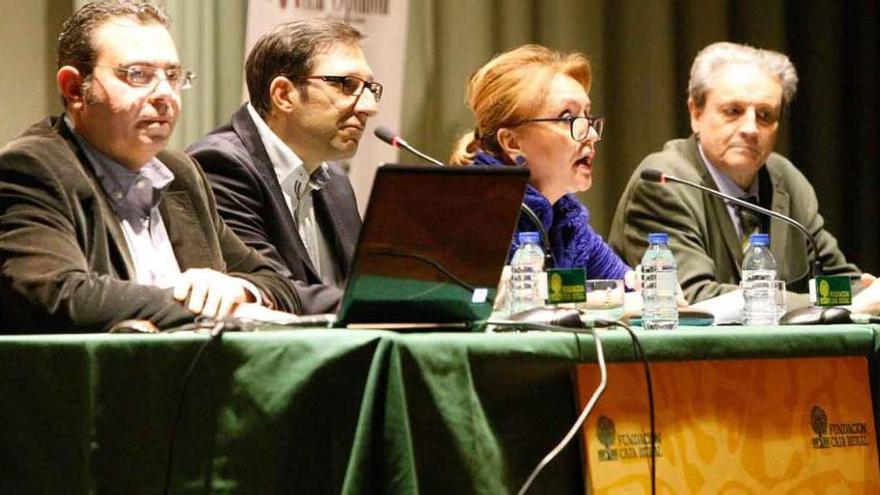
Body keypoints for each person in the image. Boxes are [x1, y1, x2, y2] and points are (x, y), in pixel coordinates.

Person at [0, 1, 301, 333]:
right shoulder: (31, 168)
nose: (164, 94)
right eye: (138, 75)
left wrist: (239, 289)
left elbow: (278, 282)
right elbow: (57, 294)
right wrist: (203, 308)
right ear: (74, 89)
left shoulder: (181, 175)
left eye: (172, 76)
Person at [608, 41, 875, 307]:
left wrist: (865, 294)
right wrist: (829, 304)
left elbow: (842, 281)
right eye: (733, 111)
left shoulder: (786, 179)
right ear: (695, 113)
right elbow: (694, 299)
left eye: (765, 115)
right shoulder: (664, 182)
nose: (750, 128)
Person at [187, 19, 378, 314]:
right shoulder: (219, 165)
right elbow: (270, 288)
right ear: (283, 94)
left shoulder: (334, 179)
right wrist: (386, 308)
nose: (368, 107)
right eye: (347, 85)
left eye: (369, 88)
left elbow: (358, 285)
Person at [450, 44, 634, 285]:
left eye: (587, 116)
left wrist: (647, 282)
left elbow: (629, 287)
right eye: (568, 118)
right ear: (512, 142)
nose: (591, 134)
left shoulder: (566, 219)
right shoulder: (471, 213)